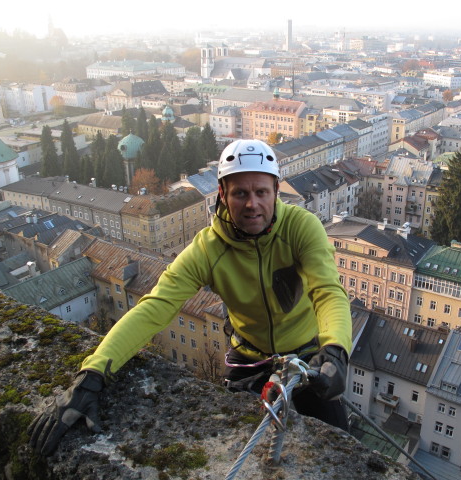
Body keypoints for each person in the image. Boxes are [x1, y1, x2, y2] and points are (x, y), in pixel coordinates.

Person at [28, 139, 352, 456]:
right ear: (223, 195)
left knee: (340, 447)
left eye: (261, 192)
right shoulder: (207, 249)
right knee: (237, 445)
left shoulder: (301, 228)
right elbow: (156, 307)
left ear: (276, 193)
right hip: (250, 358)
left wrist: (335, 349)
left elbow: (327, 292)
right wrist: (92, 374)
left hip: (308, 355)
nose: (252, 203)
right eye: (240, 193)